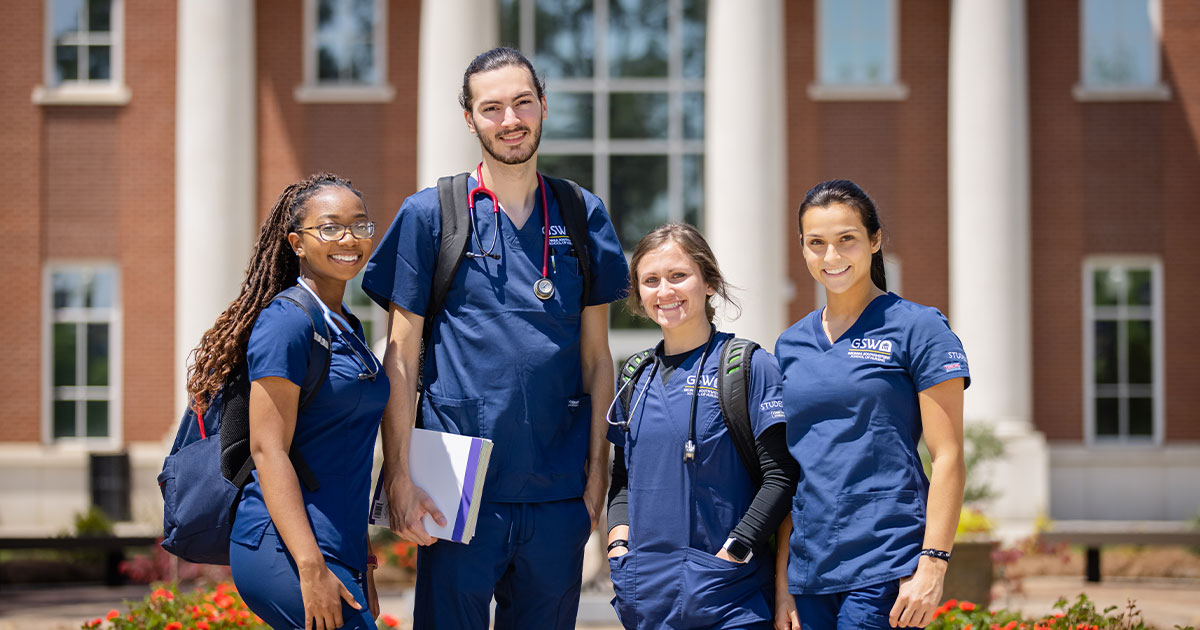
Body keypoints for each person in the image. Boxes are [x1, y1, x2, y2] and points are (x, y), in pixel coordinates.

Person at [361, 46, 629, 630]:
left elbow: (596, 360)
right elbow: (400, 358)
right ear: (469, 118)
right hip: (455, 491)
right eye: (492, 108)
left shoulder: (583, 214)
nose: (510, 120)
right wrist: (399, 477)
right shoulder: (431, 214)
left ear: (543, 107)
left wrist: (597, 479)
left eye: (522, 103)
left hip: (557, 492)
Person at [187, 173, 387, 630]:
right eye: (331, 227)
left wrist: (365, 560)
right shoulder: (287, 322)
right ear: (297, 242)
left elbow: (346, 456)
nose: (349, 239)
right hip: (287, 548)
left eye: (360, 225)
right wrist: (310, 567)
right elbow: (267, 449)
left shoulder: (346, 326)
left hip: (339, 546)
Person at [773, 180, 969, 630]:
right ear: (802, 248)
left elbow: (949, 455)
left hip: (887, 561)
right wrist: (784, 581)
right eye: (816, 243)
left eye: (847, 240)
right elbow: (791, 470)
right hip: (810, 570)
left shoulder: (919, 328)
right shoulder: (791, 344)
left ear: (875, 240)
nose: (832, 257)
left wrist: (933, 564)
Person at [605, 223, 800, 630]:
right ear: (639, 293)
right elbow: (622, 478)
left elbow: (781, 475)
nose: (665, 291)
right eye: (651, 280)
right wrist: (618, 543)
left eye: (679, 276)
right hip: (646, 596)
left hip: (728, 597)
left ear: (708, 282)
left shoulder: (747, 366)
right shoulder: (635, 375)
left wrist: (737, 549)